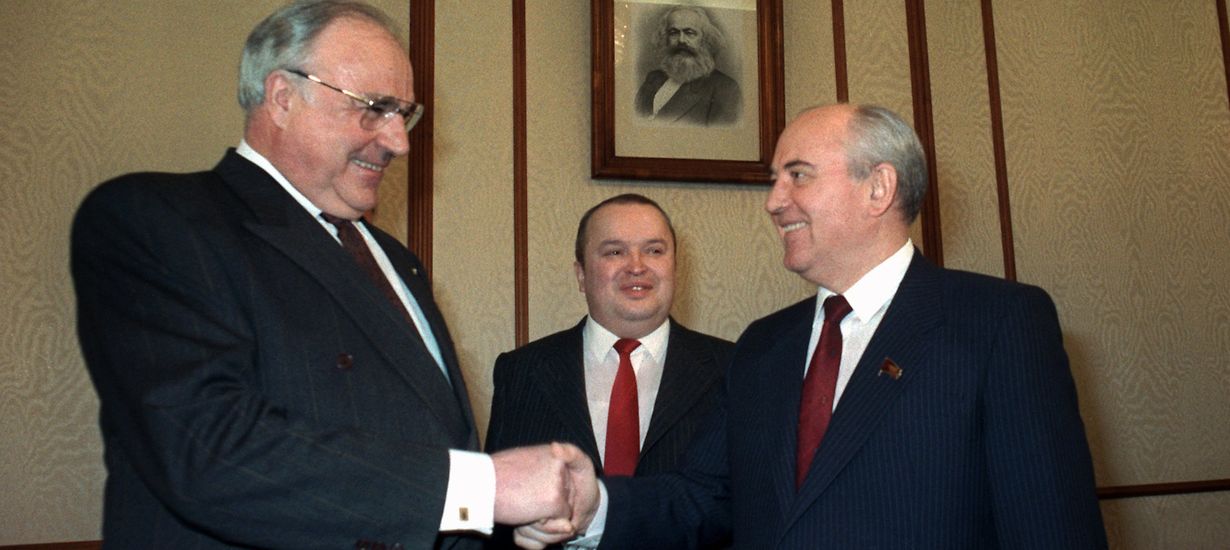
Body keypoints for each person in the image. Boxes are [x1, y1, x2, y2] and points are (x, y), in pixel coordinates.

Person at [71, 2, 592, 548]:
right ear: (282, 97)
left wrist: (503, 512)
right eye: (375, 108)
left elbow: (433, 449)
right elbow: (206, 448)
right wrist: (486, 488)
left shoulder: (397, 260)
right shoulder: (159, 220)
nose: (399, 142)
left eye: (403, 114)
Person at [521, 104, 1108, 548]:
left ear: (878, 187)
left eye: (798, 175)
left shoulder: (997, 324)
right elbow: (708, 495)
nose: (774, 201)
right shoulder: (762, 346)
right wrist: (592, 504)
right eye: (775, 179)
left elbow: (1051, 528)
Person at [484, 193, 732, 495]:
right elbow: (497, 499)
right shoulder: (520, 372)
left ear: (675, 267)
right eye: (615, 252)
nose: (637, 266)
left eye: (654, 250)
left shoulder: (734, 368)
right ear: (581, 275)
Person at [634, 5, 740, 126]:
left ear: (705, 40)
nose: (681, 40)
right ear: (665, 38)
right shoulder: (653, 78)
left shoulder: (725, 88)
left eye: (690, 33)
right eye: (673, 33)